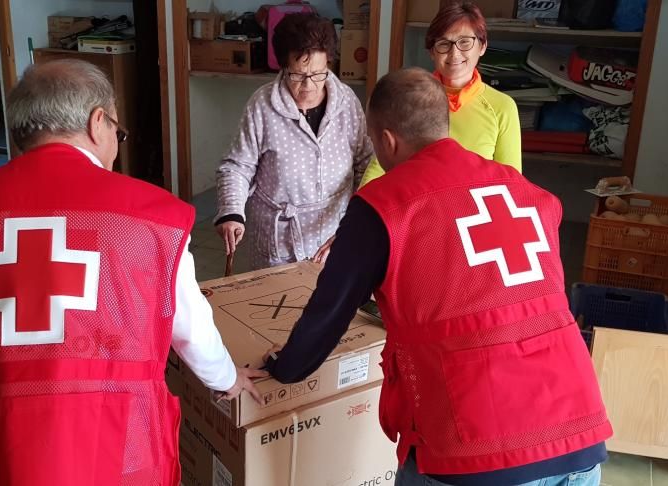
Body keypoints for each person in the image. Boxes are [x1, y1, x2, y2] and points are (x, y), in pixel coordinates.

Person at [0, 59, 265, 486]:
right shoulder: (152, 220)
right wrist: (226, 377)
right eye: (117, 132)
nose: (116, 142)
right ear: (97, 123)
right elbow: (192, 329)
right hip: (116, 446)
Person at [264, 68, 611, 486]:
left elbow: (330, 311)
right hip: (577, 430)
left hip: (474, 447)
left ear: (387, 140)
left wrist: (283, 370)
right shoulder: (526, 193)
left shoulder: (386, 204)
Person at [214, 13, 374, 269]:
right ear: (283, 67)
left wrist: (358, 221)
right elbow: (237, 166)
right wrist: (232, 212)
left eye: (319, 74)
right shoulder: (263, 105)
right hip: (278, 238)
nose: (309, 85)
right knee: (274, 306)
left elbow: (365, 163)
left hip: (333, 233)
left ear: (329, 64)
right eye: (298, 75)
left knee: (329, 302)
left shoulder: (346, 102)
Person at [359, 2, 522, 187]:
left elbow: (511, 182)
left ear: (482, 46)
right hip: (417, 203)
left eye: (465, 42)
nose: (454, 53)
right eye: (444, 43)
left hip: (472, 211)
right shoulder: (411, 96)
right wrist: (360, 204)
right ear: (431, 52)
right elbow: (380, 162)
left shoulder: (501, 107)